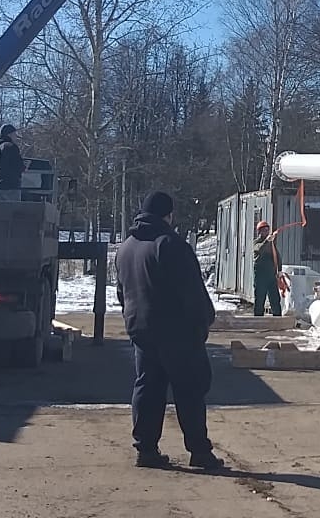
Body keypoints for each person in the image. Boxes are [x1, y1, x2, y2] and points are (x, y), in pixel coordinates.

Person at [115, 191, 224, 471]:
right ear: (168, 215)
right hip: (176, 332)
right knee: (189, 390)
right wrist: (204, 321)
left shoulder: (125, 248)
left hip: (140, 329)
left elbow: (121, 292)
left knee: (147, 388)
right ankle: (199, 451)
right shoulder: (171, 245)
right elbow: (191, 292)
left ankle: (146, 449)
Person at [252, 220, 282, 317]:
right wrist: (267, 241)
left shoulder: (271, 244)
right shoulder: (256, 243)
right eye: (264, 230)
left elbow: (277, 256)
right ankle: (257, 320)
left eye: (267, 230)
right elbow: (260, 249)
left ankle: (277, 320)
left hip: (271, 276)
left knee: (275, 299)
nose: (266, 232)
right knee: (260, 299)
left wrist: (280, 270)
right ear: (259, 232)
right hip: (260, 276)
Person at [0, 124, 24, 201]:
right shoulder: (11, 147)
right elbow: (18, 166)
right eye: (15, 134)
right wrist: (24, 166)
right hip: (11, 185)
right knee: (13, 211)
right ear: (9, 134)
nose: (16, 137)